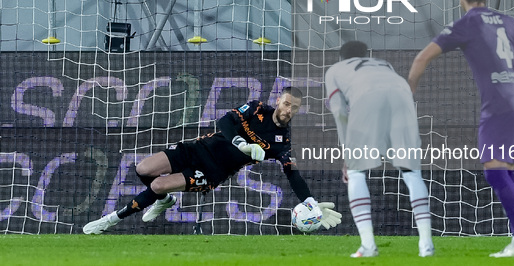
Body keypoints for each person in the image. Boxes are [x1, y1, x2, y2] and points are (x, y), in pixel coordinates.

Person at [408, 0, 514, 258]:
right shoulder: (509, 21)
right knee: (506, 171)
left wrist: (407, 98)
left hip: (497, 107)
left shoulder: (467, 23)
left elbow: (421, 58)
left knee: (495, 173)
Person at [83, 87, 342, 234]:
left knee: (158, 185)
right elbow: (225, 121)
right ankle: (165, 202)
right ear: (279, 101)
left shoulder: (282, 142)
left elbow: (292, 174)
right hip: (197, 149)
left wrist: (309, 202)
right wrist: (242, 144)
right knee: (144, 169)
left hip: (212, 171)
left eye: (294, 108)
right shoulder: (256, 109)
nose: (288, 111)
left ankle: (110, 220)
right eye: (286, 104)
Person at [324, 41, 434, 258]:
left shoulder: (335, 70)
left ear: (340, 57)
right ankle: (426, 245)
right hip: (403, 96)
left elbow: (339, 111)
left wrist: (348, 154)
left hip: (366, 97)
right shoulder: (383, 64)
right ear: (367, 54)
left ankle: (368, 245)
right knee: (412, 173)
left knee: (356, 172)